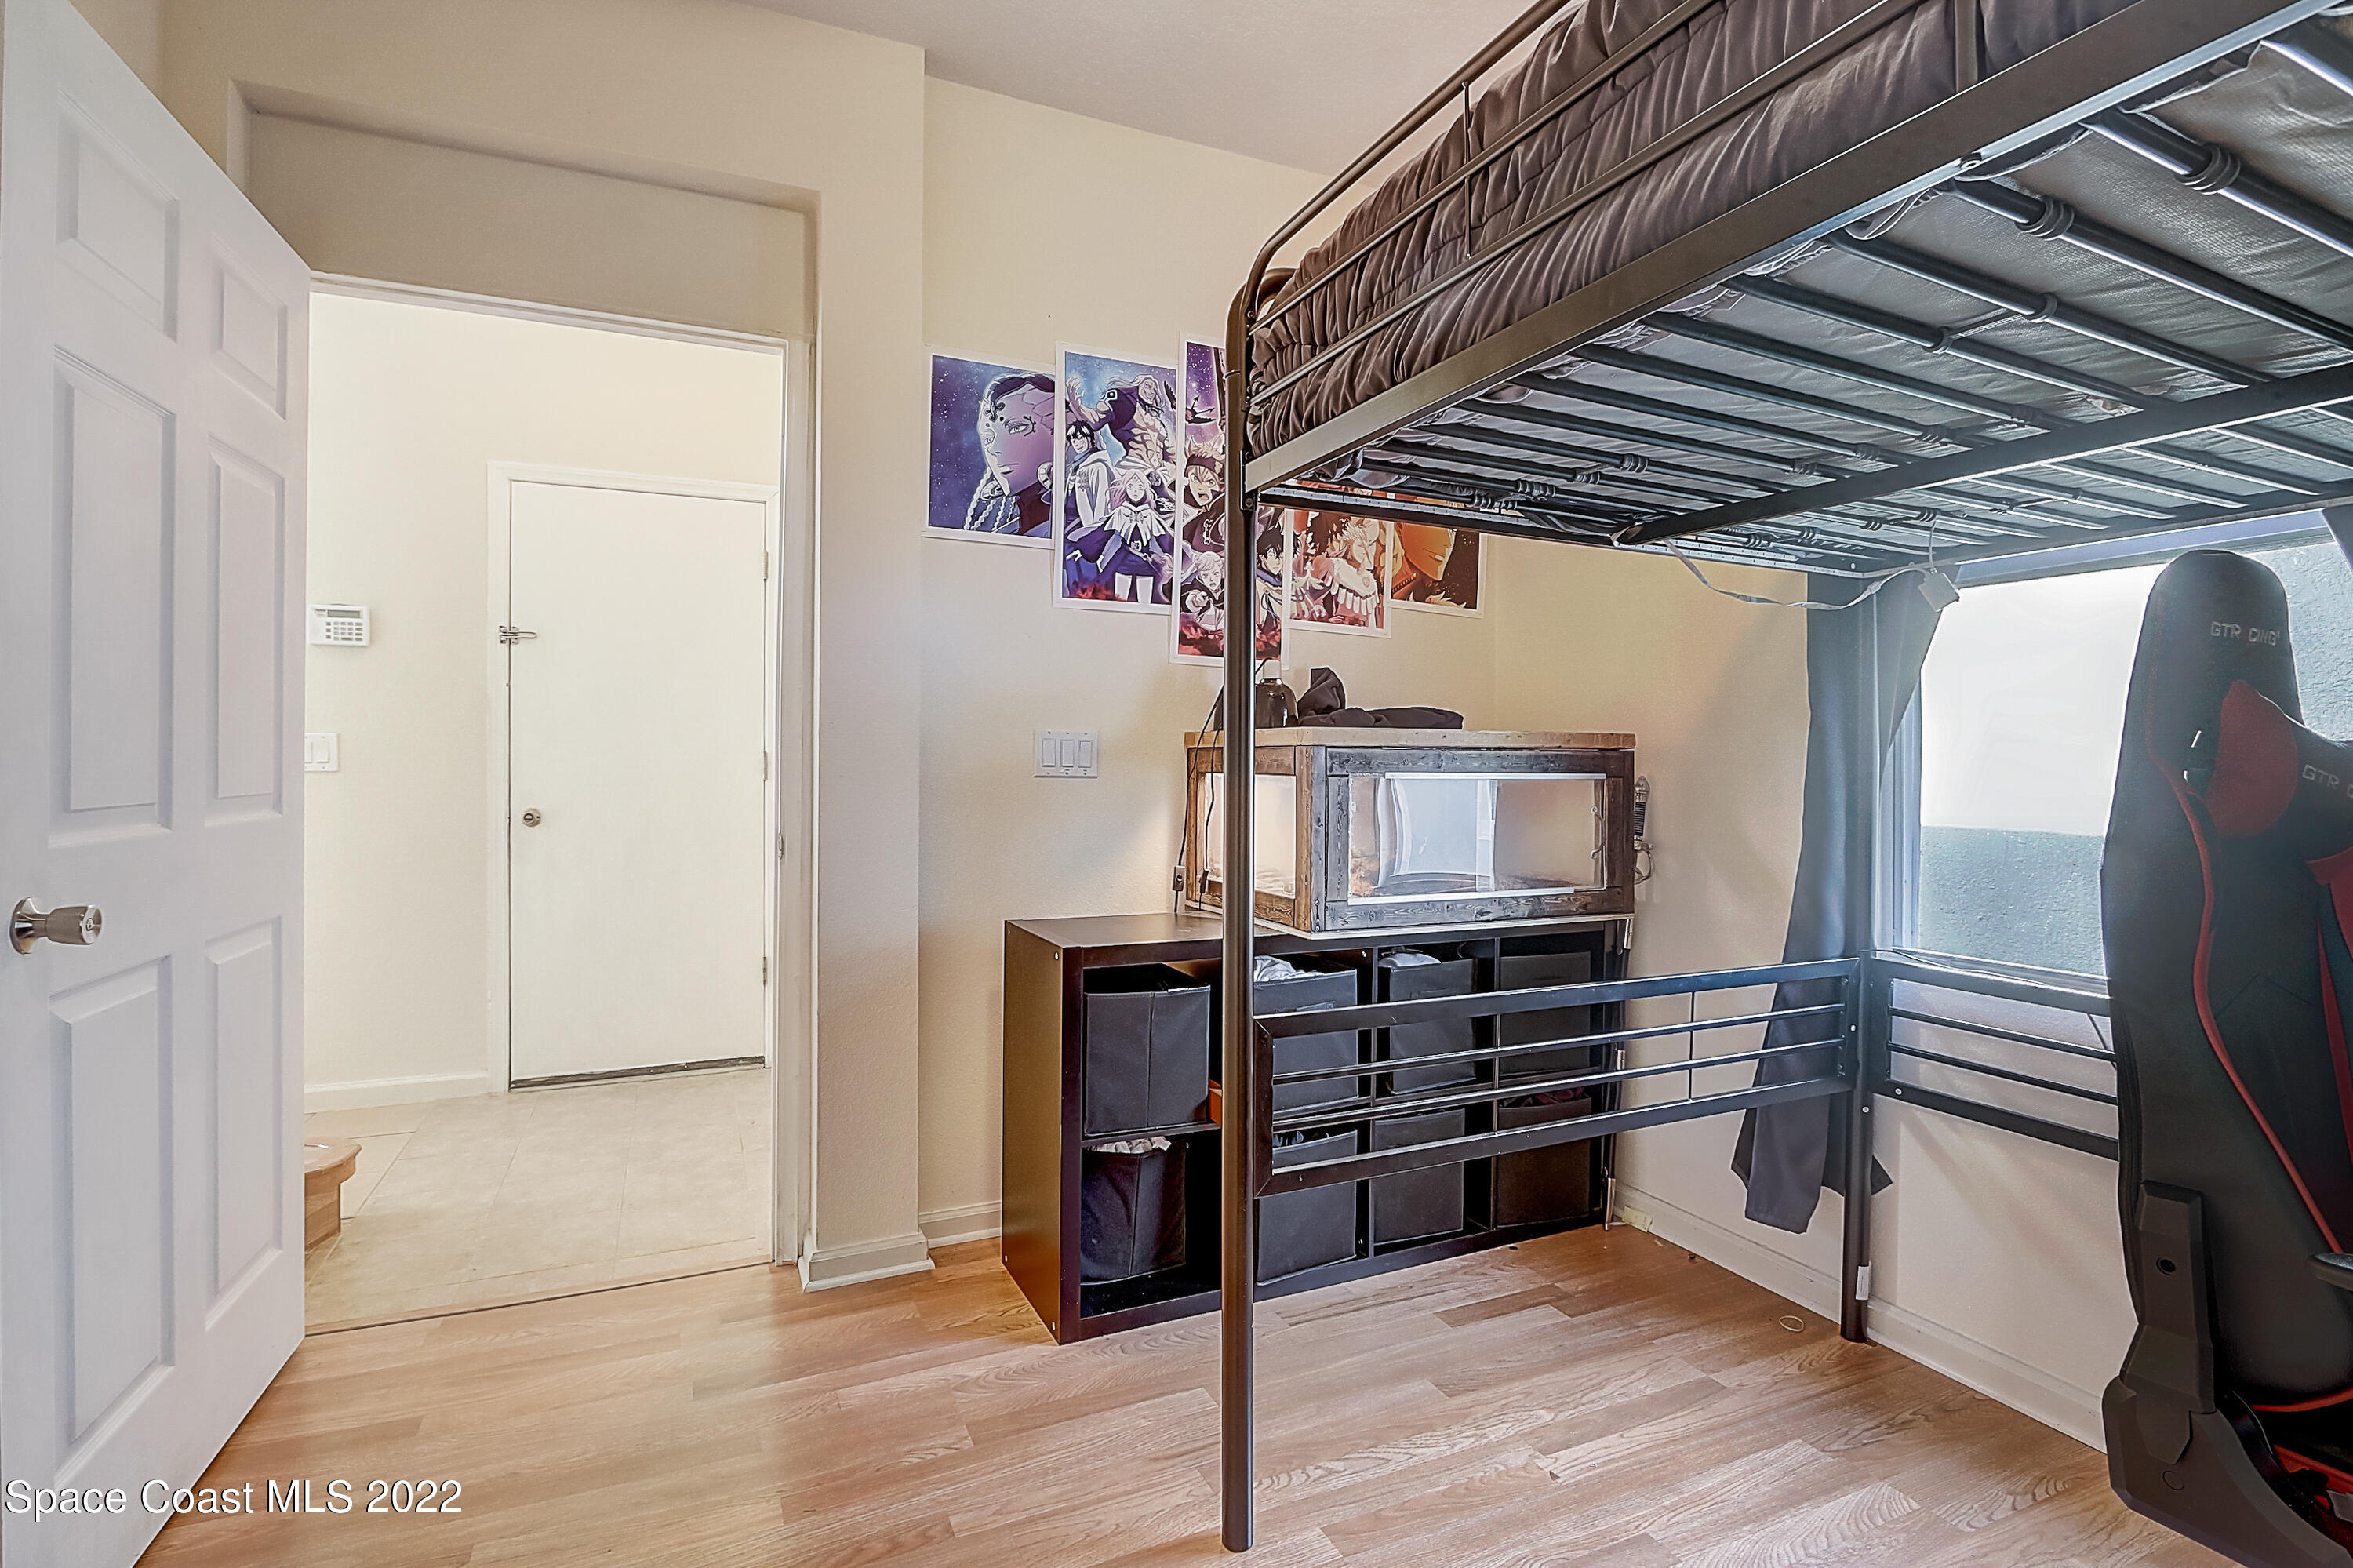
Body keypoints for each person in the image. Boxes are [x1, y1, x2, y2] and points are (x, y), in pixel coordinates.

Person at [962, 371, 1056, 537]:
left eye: (1017, 428)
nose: (994, 448)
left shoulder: (1077, 536)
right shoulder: (1007, 533)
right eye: (989, 437)